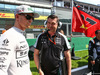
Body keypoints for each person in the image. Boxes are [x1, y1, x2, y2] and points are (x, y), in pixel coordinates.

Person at [0, 5, 39, 75]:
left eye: (32, 18)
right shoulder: (8, 36)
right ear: (17, 17)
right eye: (28, 17)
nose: (31, 20)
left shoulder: (20, 34)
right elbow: (1, 68)